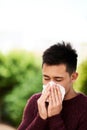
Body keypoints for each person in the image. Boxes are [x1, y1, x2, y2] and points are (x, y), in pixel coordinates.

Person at [18, 41, 87, 130]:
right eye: (46, 78)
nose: (51, 85)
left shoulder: (84, 108)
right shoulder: (35, 101)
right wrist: (41, 118)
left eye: (58, 79)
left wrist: (55, 117)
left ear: (73, 77)